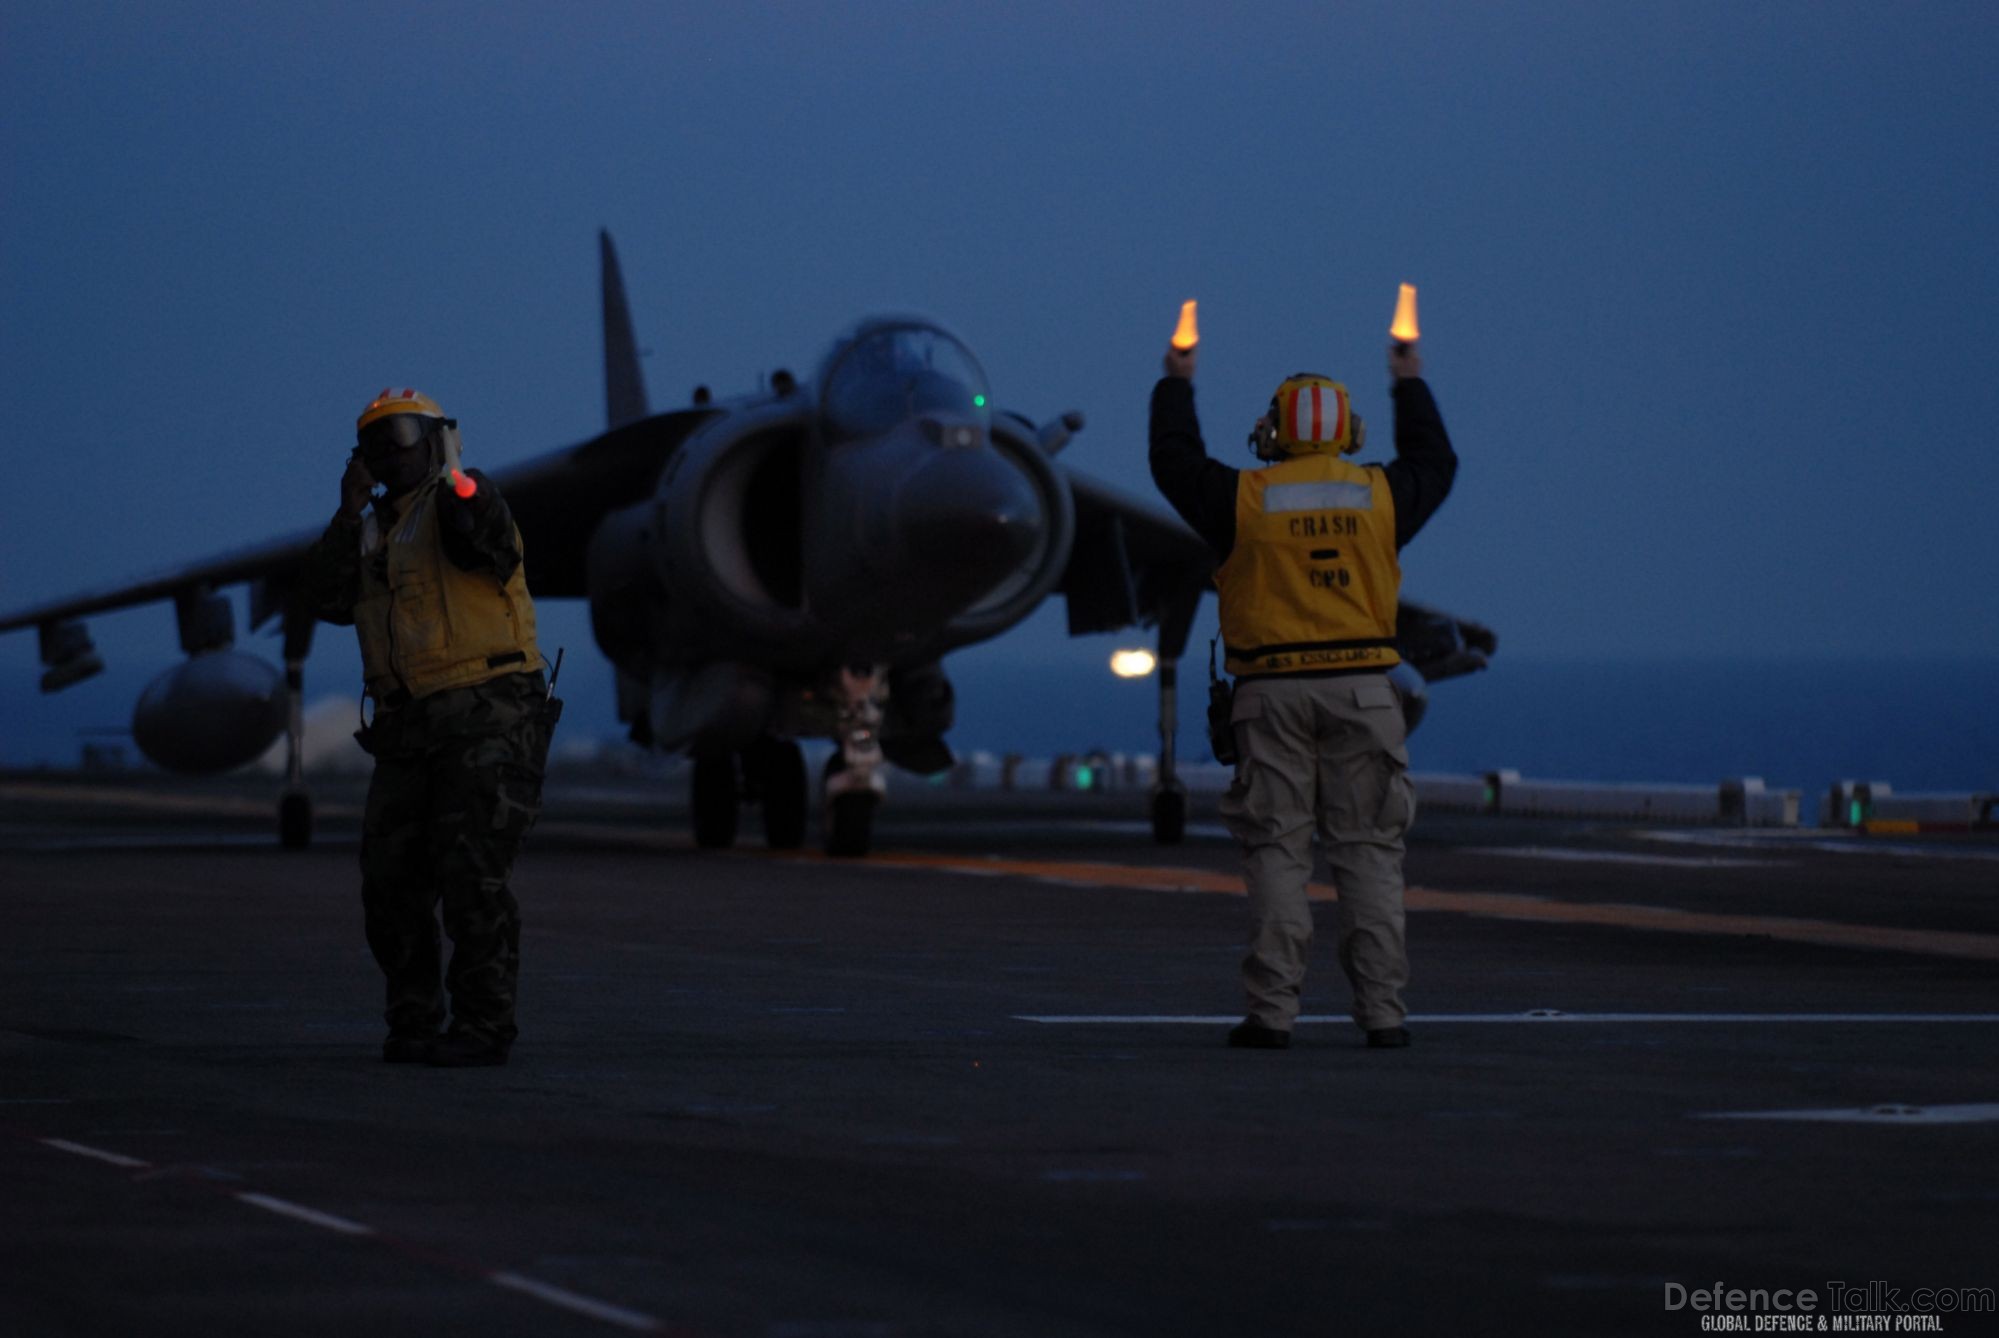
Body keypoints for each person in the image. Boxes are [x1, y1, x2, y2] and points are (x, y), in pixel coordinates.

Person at [1148, 334, 1455, 1050]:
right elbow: (1435, 462)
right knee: (1370, 855)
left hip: (1272, 695)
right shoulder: (1382, 496)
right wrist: (1408, 379)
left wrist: (1175, 381)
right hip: (1365, 694)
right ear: (1346, 432)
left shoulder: (1240, 499)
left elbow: (1171, 461)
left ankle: (1271, 1015)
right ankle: (1383, 1016)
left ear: (1274, 430)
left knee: (1277, 853)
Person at [302, 388, 558, 1067]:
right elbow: (325, 598)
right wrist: (347, 508)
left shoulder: (465, 500)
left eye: (407, 435)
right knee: (389, 884)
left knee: (471, 879)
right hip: (406, 726)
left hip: (487, 715)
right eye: (377, 441)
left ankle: (482, 1026)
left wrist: (455, 476)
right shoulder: (369, 528)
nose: (393, 451)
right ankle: (412, 1020)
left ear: (438, 439)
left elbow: (486, 540)